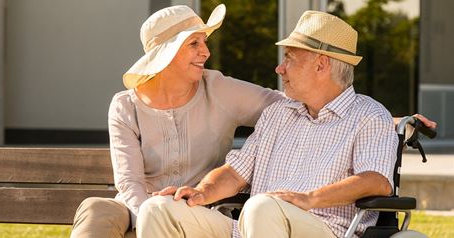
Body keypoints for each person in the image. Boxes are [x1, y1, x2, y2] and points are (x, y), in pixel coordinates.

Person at [70, 4, 436, 238]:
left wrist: (307, 199)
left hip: (324, 229)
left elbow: (376, 179)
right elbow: (235, 170)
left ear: (322, 65)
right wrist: (202, 192)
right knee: (159, 209)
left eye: (289, 59)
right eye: (194, 44)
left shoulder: (366, 115)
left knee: (262, 204)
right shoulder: (280, 113)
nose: (279, 68)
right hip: (252, 225)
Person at [70, 4, 285, 238]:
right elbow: (130, 183)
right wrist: (150, 220)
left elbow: (284, 106)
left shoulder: (219, 89)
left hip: (197, 210)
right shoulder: (125, 106)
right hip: (136, 208)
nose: (206, 52)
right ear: (166, 52)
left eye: (204, 42)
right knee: (96, 208)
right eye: (194, 43)